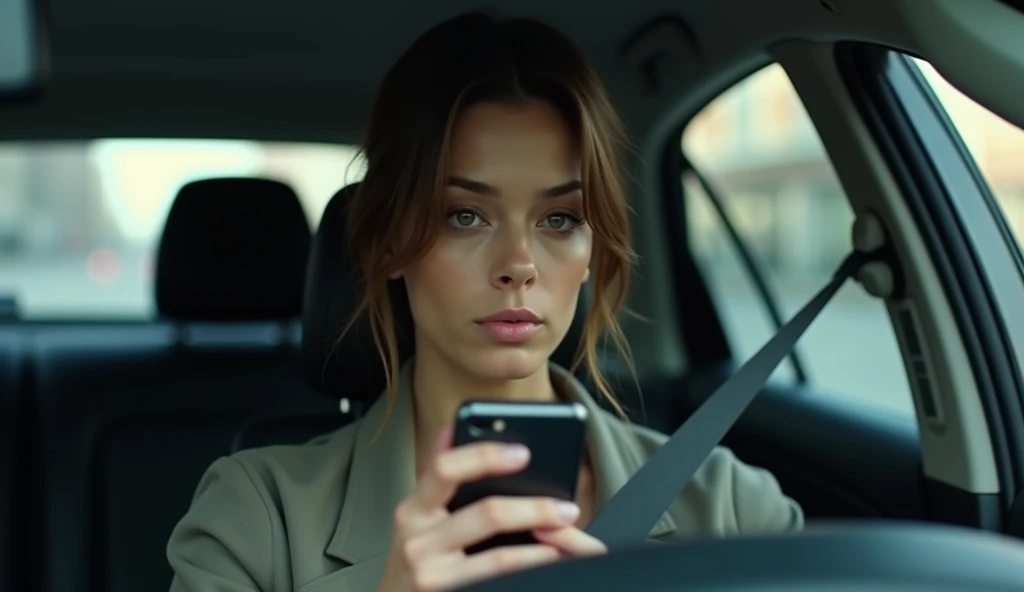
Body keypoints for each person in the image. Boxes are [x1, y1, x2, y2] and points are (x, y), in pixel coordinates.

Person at [166, 12, 803, 592]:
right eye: (466, 215)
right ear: (390, 244)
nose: (519, 266)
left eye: (559, 219)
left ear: (594, 251)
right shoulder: (256, 518)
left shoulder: (730, 507)